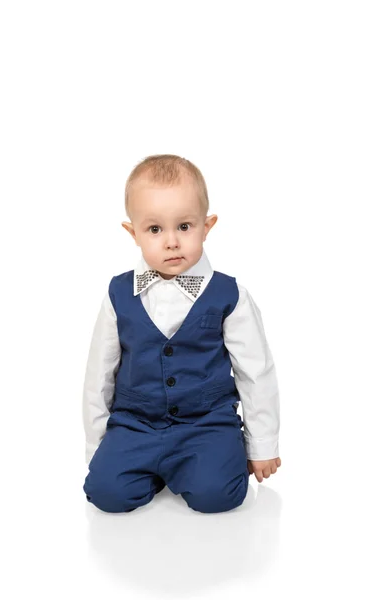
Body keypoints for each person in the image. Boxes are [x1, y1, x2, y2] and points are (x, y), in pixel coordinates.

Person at [82, 154, 281, 514]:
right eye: (155, 229)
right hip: (135, 425)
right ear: (134, 233)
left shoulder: (230, 295)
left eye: (185, 227)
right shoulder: (117, 294)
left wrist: (261, 445)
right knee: (105, 493)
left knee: (218, 496)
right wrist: (99, 445)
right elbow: (99, 373)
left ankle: (203, 462)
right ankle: (154, 468)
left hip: (206, 423)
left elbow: (256, 372)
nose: (171, 241)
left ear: (208, 226)